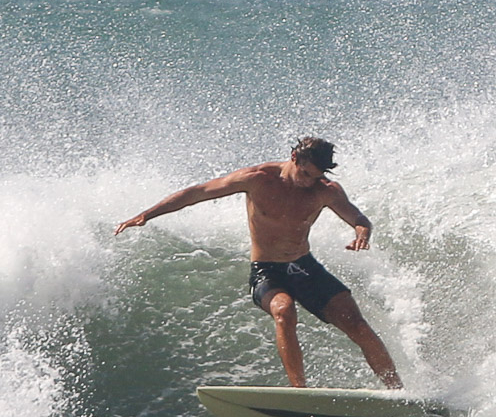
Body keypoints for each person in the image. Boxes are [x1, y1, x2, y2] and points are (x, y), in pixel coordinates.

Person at [114, 137, 402, 389]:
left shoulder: (325, 190)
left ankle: (398, 393)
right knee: (283, 310)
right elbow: (197, 193)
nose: (306, 181)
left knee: (358, 326)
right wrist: (147, 215)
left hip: (303, 267)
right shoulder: (257, 178)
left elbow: (359, 219)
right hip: (267, 271)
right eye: (303, 173)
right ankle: (300, 392)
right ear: (294, 158)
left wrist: (362, 234)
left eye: (313, 177)